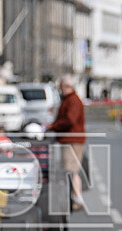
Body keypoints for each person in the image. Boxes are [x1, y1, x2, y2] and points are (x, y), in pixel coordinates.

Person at [47, 75, 86, 211]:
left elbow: (70, 120)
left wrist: (53, 126)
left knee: (71, 170)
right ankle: (75, 197)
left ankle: (77, 198)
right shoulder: (70, 99)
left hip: (72, 139)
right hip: (70, 139)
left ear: (65, 86)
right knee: (70, 170)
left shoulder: (73, 100)